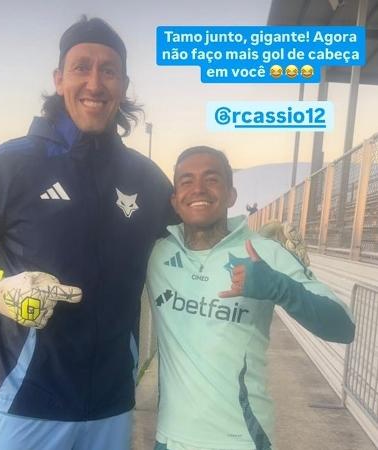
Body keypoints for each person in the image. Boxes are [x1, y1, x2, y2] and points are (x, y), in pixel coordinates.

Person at [0, 16, 174, 450]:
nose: (95, 83)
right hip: (25, 405)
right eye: (82, 67)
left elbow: (193, 242)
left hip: (112, 407)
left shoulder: (148, 179)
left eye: (108, 70)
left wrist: (258, 239)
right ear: (59, 79)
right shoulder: (8, 165)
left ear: (123, 84)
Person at [146, 146, 355, 450]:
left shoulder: (264, 253)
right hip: (169, 438)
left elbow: (343, 327)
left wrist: (280, 287)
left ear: (231, 195)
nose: (198, 189)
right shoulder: (157, 254)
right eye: (186, 181)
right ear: (175, 201)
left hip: (243, 439)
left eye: (212, 179)